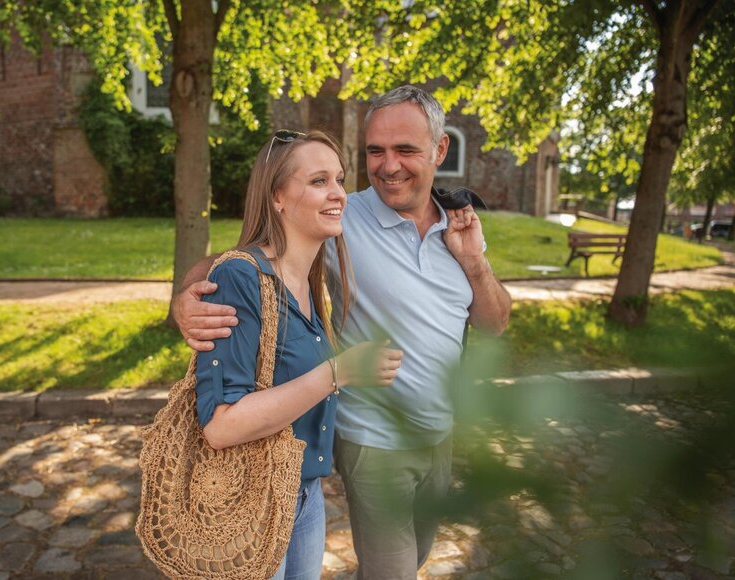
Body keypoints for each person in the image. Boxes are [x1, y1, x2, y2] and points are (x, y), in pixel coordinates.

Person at [175, 86, 512, 579]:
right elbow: (236, 262)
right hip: (373, 439)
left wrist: (475, 262)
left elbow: (495, 323)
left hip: (440, 434)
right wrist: (186, 300)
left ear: (440, 150)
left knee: (413, 558)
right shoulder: (339, 214)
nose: (388, 165)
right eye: (375, 150)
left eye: (406, 150)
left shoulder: (459, 227)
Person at [191, 129, 403, 580]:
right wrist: (339, 372)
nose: (339, 194)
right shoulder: (241, 278)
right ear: (277, 198)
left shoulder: (309, 283)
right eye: (319, 181)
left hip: (305, 497)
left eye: (340, 180)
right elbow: (220, 425)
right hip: (251, 500)